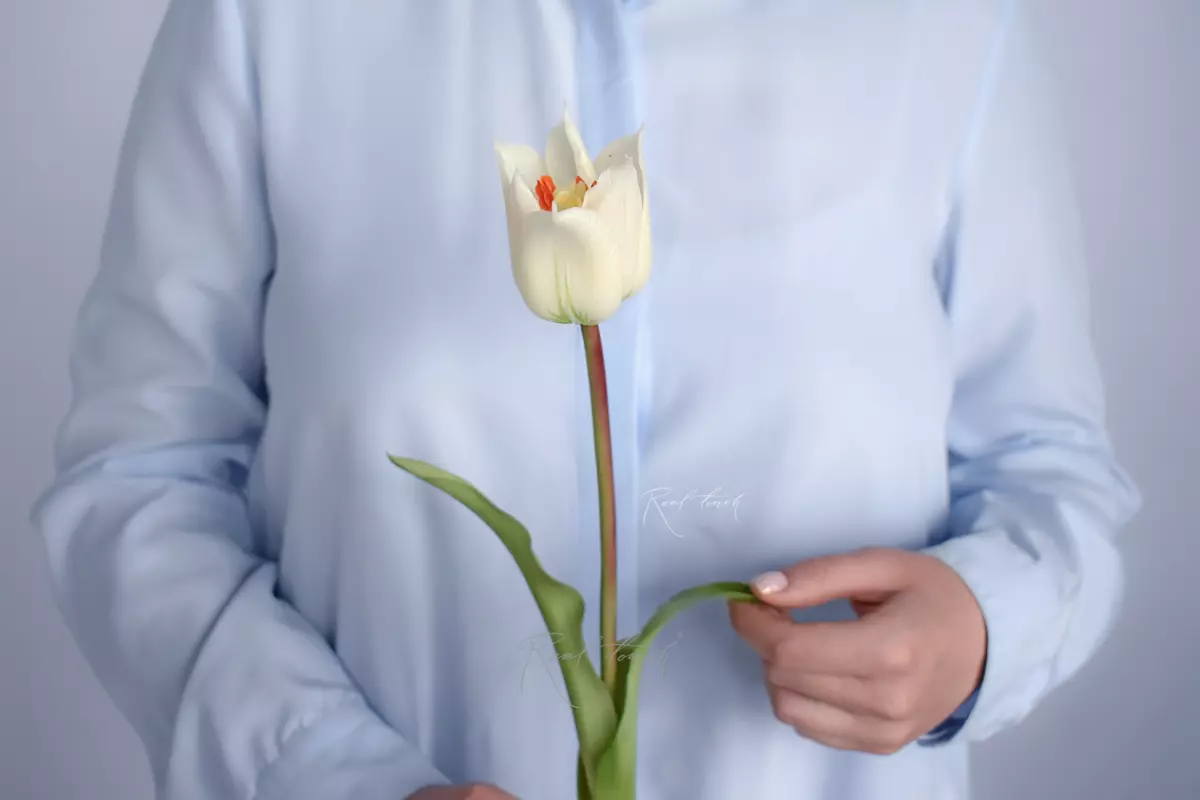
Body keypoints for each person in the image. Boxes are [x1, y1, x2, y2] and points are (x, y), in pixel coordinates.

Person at [31, 0, 1140, 798]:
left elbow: (1051, 472)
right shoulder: (270, 23)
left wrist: (980, 628)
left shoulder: (948, 27)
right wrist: (333, 772)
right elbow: (140, 476)